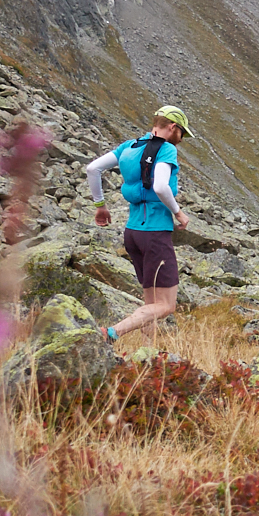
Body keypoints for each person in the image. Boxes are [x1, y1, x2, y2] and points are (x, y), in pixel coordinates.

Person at [84, 105, 193, 342]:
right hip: (155, 233)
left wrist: (100, 206)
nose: (181, 139)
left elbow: (93, 169)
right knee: (166, 305)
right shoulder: (166, 150)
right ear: (172, 127)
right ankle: (111, 332)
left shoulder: (130, 146)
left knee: (151, 302)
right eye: (182, 133)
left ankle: (147, 355)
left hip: (133, 233)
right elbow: (161, 187)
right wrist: (179, 213)